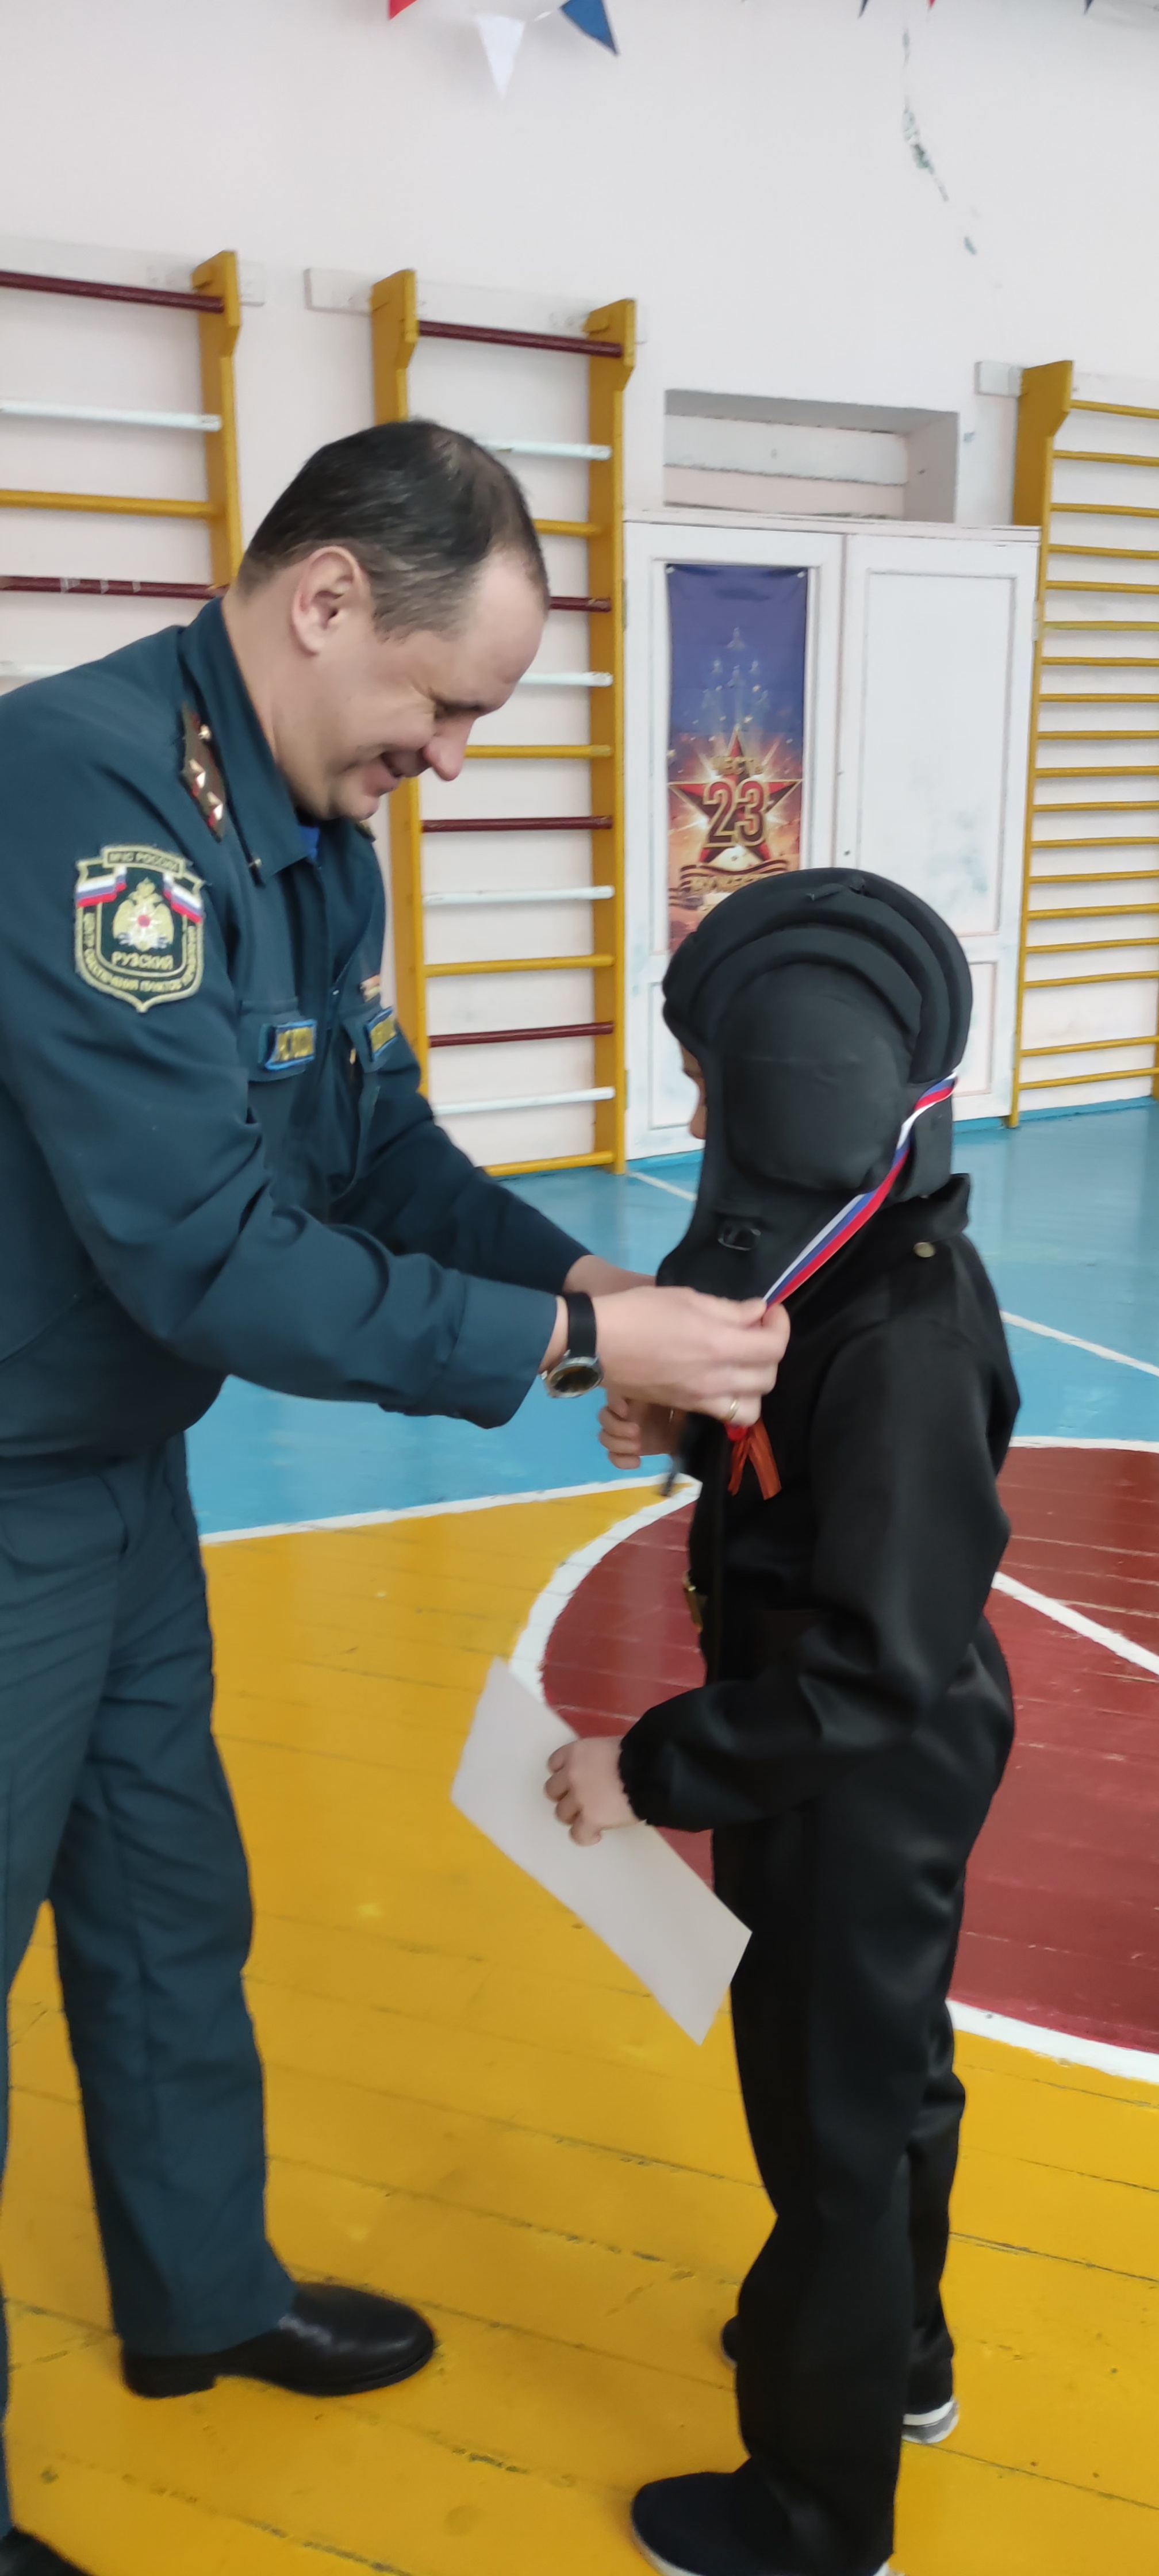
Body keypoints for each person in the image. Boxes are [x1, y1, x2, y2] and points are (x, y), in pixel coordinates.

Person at [0, 420, 788, 2576]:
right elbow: (205, 1244)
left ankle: (197, 2293)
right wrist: (574, 1357)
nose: (448, 757)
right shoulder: (83, 801)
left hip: (108, 1460)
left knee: (166, 1902)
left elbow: (372, 1156)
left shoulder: (313, 832)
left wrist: (591, 1289)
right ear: (327, 599)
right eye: (446, 705)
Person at [546, 869, 1019, 2576]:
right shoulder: (861, 1266)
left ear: (797, 1093)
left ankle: (816, 2515)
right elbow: (792, 1465)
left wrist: (648, 1765)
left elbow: (869, 1666)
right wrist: (674, 1424)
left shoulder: (901, 1335)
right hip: (859, 1757)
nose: (698, 1124)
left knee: (830, 2131)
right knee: (885, 2076)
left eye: (717, 1092)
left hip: (851, 1774)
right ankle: (897, 2356)